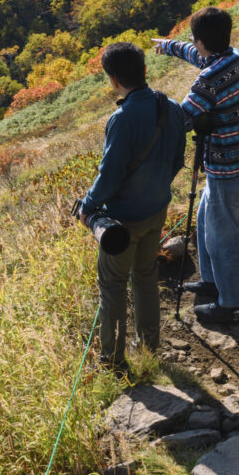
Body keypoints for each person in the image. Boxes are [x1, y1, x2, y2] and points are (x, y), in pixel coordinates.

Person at [77, 41, 187, 370]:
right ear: (144, 70)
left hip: (122, 223)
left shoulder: (121, 119)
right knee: (146, 277)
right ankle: (149, 347)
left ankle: (112, 360)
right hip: (156, 211)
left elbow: (108, 177)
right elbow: (178, 160)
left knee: (112, 286)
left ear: (113, 80)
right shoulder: (172, 108)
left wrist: (87, 205)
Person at [154, 6, 239, 325]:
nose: (193, 46)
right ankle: (213, 283)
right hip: (233, 160)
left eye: (193, 41)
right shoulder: (232, 58)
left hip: (229, 168)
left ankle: (232, 304)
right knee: (204, 220)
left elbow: (181, 120)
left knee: (222, 237)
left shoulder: (208, 80)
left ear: (201, 41)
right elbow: (195, 54)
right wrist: (167, 45)